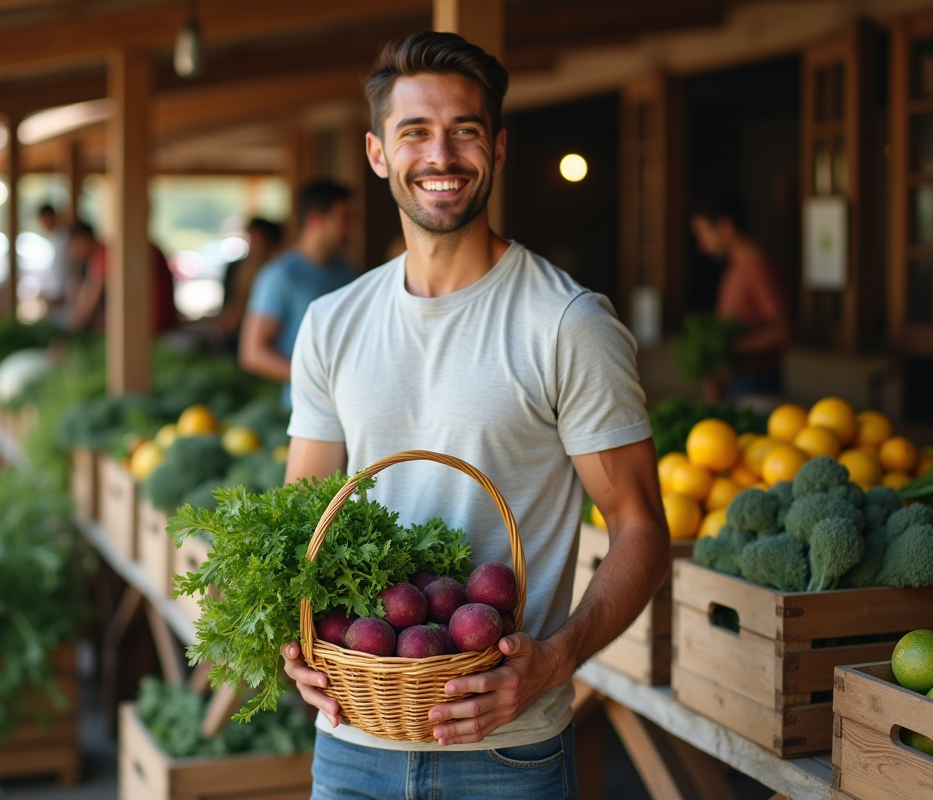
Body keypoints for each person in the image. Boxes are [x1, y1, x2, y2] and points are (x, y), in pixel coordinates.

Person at [279, 32, 669, 798]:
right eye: (414, 132)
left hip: (506, 755)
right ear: (376, 153)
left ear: (496, 145)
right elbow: (305, 515)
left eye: (464, 130)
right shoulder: (332, 322)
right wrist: (293, 644)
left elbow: (642, 528)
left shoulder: (565, 323)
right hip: (353, 744)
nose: (441, 154)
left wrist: (556, 659)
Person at [239, 180, 356, 407]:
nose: (352, 227)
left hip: (351, 407)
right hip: (305, 409)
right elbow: (252, 354)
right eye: (345, 219)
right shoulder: (280, 276)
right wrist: (318, 379)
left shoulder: (348, 272)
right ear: (316, 220)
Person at [690, 193, 791, 399]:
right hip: (737, 383)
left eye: (704, 234)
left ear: (726, 227)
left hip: (757, 384)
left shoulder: (759, 266)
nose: (702, 245)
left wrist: (732, 348)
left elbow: (783, 331)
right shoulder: (734, 268)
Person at [65, 221, 179, 336]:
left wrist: (69, 334)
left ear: (83, 239)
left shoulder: (105, 253)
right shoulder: (112, 251)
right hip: (159, 320)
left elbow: (89, 302)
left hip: (151, 325)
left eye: (73, 246)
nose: (72, 253)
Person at [211, 217, 284, 353]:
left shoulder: (277, 272)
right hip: (237, 332)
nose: (255, 241)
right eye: (251, 236)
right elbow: (230, 302)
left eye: (259, 236)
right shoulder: (237, 267)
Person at [36, 203, 73, 323]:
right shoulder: (54, 239)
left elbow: (65, 271)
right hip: (58, 299)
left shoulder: (63, 239)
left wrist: (59, 296)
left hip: (64, 299)